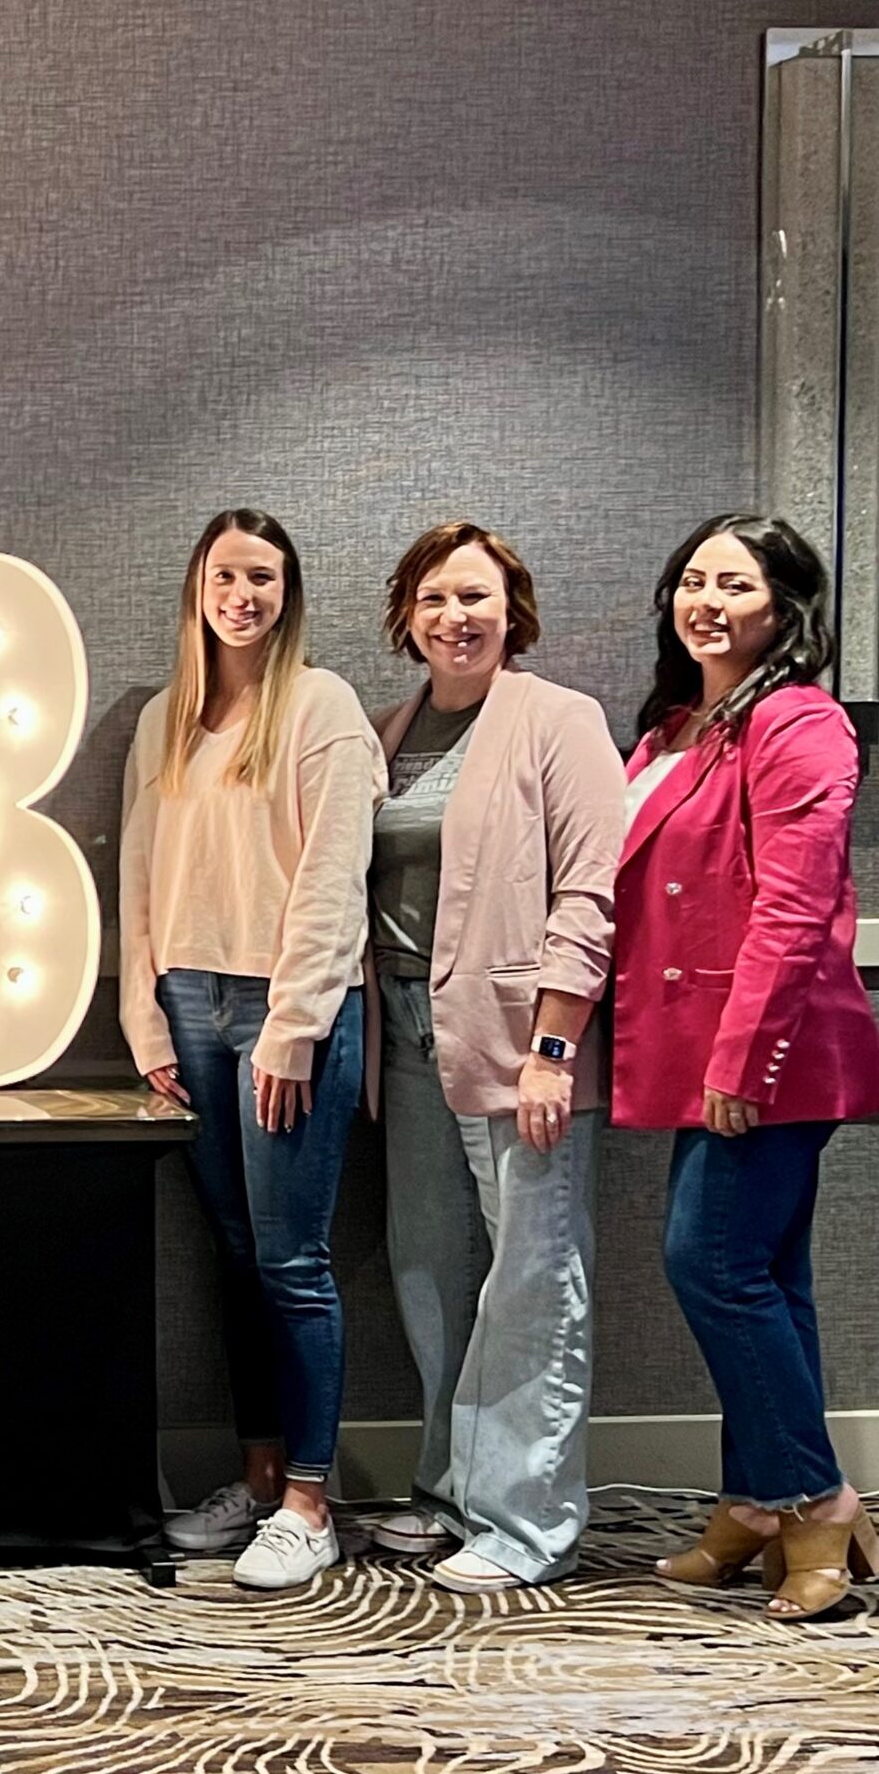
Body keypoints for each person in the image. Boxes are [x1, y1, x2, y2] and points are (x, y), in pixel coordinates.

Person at [618, 513, 879, 1620]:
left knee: (711, 1264)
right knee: (766, 1276)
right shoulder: (682, 727)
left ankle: (814, 1500)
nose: (705, 599)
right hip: (699, 1049)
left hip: (768, 1050)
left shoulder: (798, 722)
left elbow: (792, 904)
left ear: (783, 606)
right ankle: (757, 1506)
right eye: (691, 579)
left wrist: (744, 1059)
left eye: (732, 582)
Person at [120, 509, 384, 1590]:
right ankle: (261, 1473)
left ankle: (314, 1500)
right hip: (189, 1005)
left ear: (288, 593)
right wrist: (145, 1022)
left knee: (292, 1260)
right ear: (197, 587)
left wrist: (293, 1026)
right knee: (233, 1258)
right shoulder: (165, 721)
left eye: (264, 577)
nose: (244, 595)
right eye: (226, 574)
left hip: (290, 1014)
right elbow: (139, 879)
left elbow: (333, 879)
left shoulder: (320, 707)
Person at [361, 523, 621, 1590]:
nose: (453, 618)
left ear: (511, 609)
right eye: (432, 601)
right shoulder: (390, 730)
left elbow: (589, 895)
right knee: (429, 1273)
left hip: (520, 1048)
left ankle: (526, 1522)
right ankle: (449, 1490)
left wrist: (554, 1047)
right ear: (405, 619)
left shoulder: (557, 720)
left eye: (474, 597)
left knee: (531, 1279)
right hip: (406, 1036)